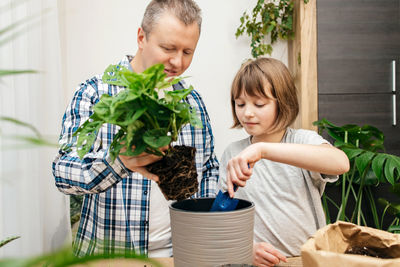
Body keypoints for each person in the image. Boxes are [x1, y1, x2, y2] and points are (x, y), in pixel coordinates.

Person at [52, 0, 218, 257]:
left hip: (181, 256)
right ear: (142, 37)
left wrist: (205, 229)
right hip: (110, 256)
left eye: (188, 52)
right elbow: (63, 172)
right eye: (168, 48)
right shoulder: (96, 93)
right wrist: (119, 162)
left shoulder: (191, 101)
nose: (178, 61)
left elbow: (207, 168)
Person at [218, 58, 350, 267]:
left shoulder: (302, 141)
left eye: (259, 104)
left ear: (283, 102)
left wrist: (263, 150)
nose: (247, 112)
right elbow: (224, 218)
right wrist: (245, 249)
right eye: (240, 103)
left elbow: (340, 163)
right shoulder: (233, 153)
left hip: (304, 260)